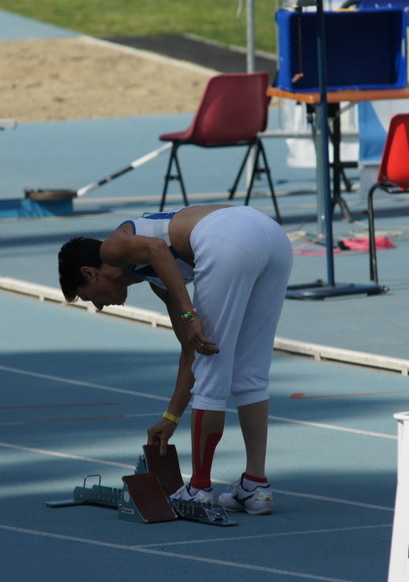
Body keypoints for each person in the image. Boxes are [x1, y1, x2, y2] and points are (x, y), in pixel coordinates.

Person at [58, 204, 293, 515]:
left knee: (212, 367)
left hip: (229, 237)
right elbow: (189, 350)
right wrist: (170, 418)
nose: (98, 306)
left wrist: (189, 312)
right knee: (250, 374)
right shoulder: (159, 278)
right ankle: (255, 486)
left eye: (89, 296)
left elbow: (157, 248)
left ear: (89, 272)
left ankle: (199, 488)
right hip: (272, 237)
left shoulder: (111, 249)